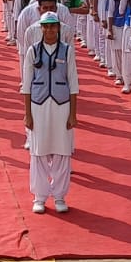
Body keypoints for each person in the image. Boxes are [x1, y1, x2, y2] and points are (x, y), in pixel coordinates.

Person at [22, 13, 79, 214]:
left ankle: (60, 195)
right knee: (39, 152)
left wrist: (73, 114)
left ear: (58, 28)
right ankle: (40, 196)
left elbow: (73, 83)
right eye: (46, 27)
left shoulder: (67, 50)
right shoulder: (33, 51)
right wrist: (27, 114)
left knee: (62, 152)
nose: (49, 30)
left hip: (61, 105)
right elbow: (26, 85)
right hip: (39, 105)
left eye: (53, 27)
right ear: (41, 28)